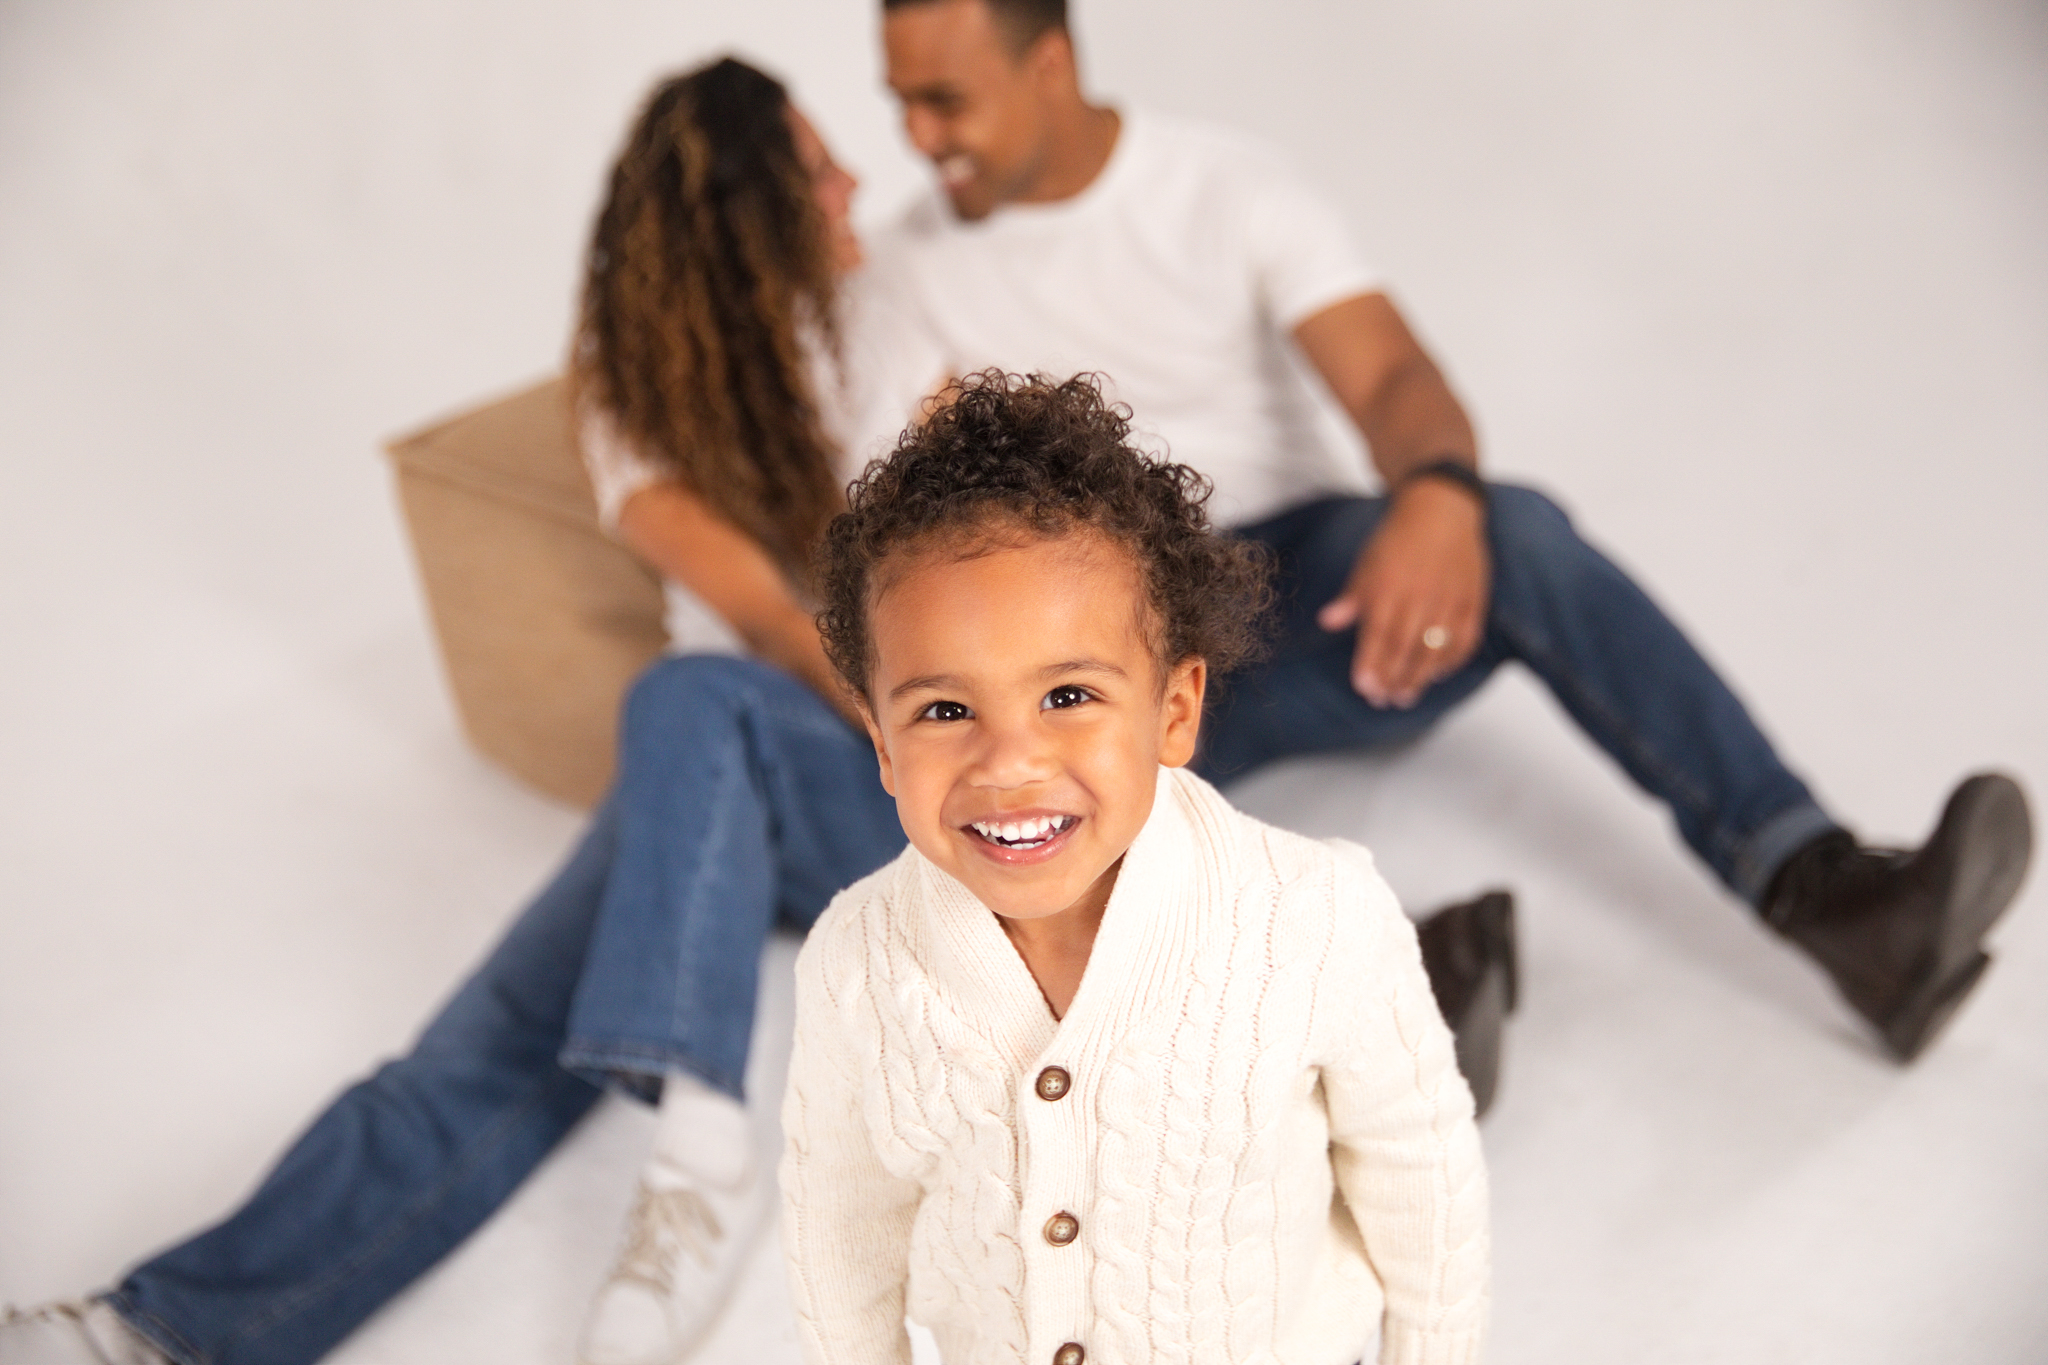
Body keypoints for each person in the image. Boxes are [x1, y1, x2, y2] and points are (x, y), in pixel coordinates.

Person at [863, 0, 2033, 1075]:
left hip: (1294, 587)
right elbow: (930, 540)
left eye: (944, 100)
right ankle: (1385, 1033)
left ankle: (1832, 898)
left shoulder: (1221, 188)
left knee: (1514, 526)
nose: (917, 137)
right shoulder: (908, 272)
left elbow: (1388, 375)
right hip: (1094, 645)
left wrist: (1434, 493)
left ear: (1049, 64)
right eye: (901, 100)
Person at [0, 57, 937, 1365]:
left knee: (688, 693)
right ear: (749, 216)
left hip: (888, 771)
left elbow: (936, 590)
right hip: (723, 774)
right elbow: (779, 623)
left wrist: (948, 759)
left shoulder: (889, 316)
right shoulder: (634, 384)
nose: (850, 183)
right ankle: (150, 1334)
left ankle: (698, 1155)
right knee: (477, 1045)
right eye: (816, 166)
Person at [781, 370, 1490, 1365]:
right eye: (944, 711)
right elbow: (840, 1237)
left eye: (1067, 695)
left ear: (1174, 710)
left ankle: (1466, 972)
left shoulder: (1315, 917)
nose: (1008, 763)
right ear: (882, 740)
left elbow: (1421, 1183)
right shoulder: (854, 962)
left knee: (1405, 1090)